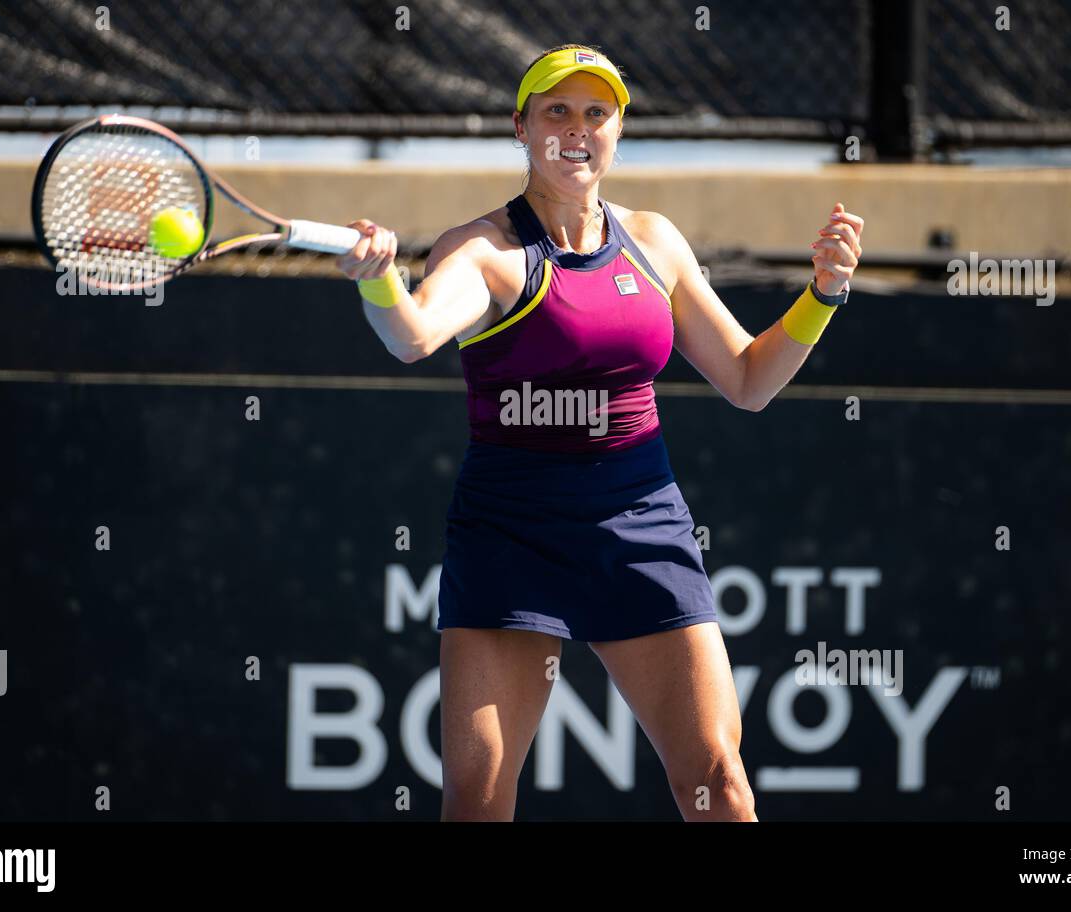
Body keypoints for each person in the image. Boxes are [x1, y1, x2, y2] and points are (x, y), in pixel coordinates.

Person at [338, 43, 864, 821]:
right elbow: (411, 334)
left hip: (640, 525)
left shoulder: (655, 242)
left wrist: (822, 296)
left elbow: (750, 380)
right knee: (476, 801)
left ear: (617, 130)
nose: (576, 130)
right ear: (522, 128)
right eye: (556, 112)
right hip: (509, 535)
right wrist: (380, 278)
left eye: (596, 113)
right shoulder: (484, 252)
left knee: (719, 784)